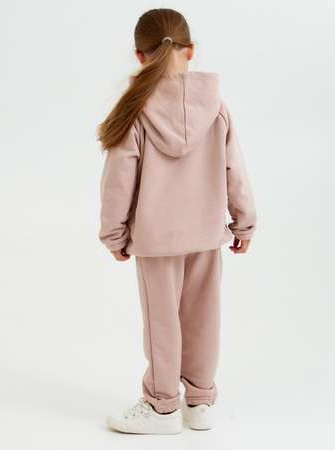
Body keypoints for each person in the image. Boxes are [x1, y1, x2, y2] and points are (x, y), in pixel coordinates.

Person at [97, 8, 256, 435]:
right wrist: (244, 222)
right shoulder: (216, 107)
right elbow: (235, 170)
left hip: (156, 239)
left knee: (162, 321)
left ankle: (162, 406)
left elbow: (118, 180)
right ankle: (199, 403)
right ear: (191, 51)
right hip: (206, 233)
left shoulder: (135, 110)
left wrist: (114, 233)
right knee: (204, 318)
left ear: (140, 55)